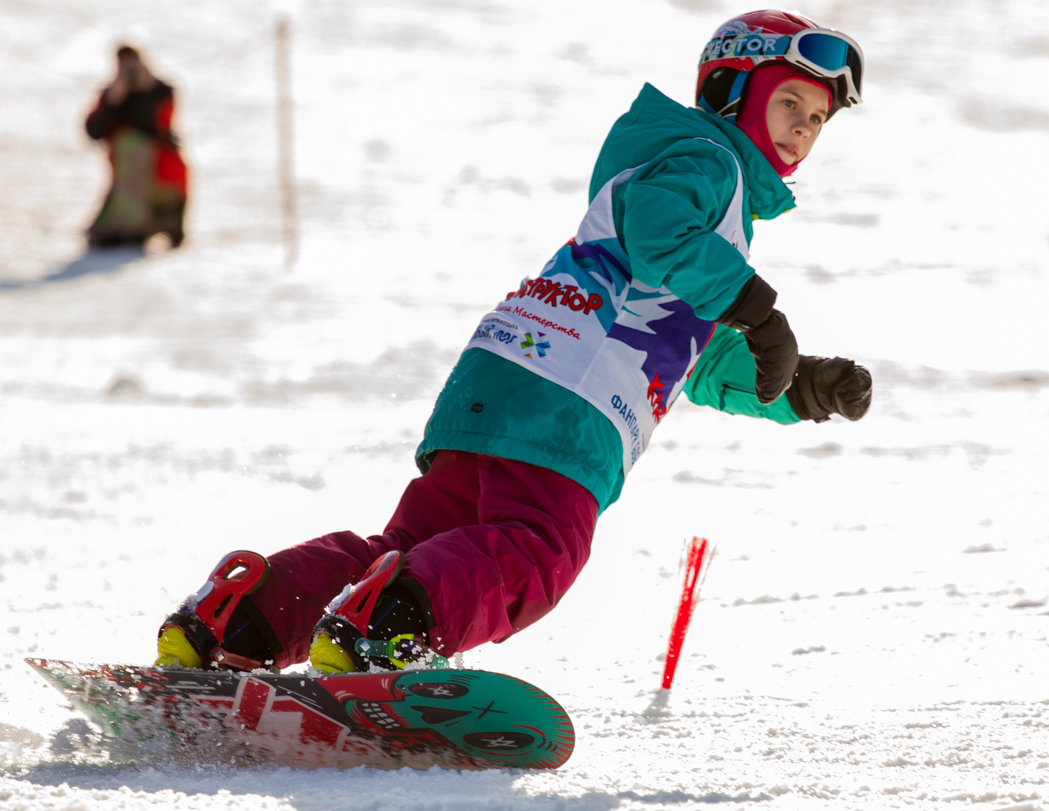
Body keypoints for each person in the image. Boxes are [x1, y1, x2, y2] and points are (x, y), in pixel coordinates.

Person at [154, 10, 875, 675]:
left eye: (817, 118)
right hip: (571, 401)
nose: (803, 128)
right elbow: (658, 229)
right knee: (536, 548)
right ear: (729, 91)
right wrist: (760, 310)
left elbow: (691, 353)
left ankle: (240, 620)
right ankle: (384, 631)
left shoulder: (696, 194)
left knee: (411, 551)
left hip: (508, 373)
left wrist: (799, 387)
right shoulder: (709, 164)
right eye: (789, 102)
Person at [85, 45, 188, 248]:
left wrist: (146, 91)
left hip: (159, 168)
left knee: (136, 147)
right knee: (130, 146)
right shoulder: (113, 92)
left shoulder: (160, 90)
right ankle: (126, 226)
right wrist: (114, 100)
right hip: (125, 172)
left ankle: (147, 225)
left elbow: (156, 128)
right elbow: (93, 131)